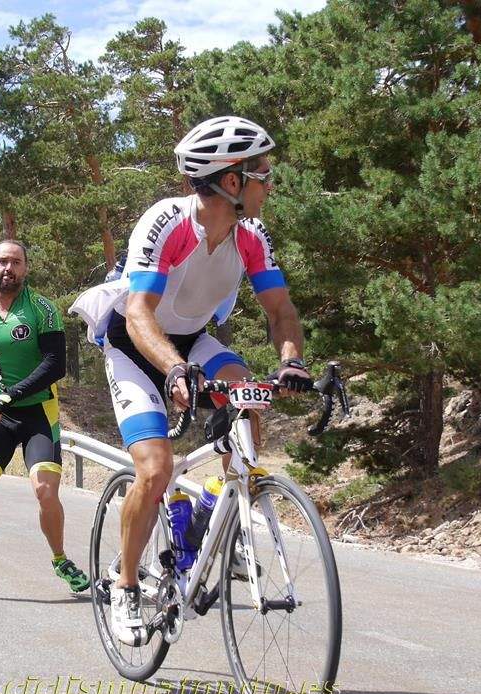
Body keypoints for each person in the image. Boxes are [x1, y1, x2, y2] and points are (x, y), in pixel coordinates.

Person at [70, 116, 314, 646]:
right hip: (136, 343)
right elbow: (139, 313)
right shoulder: (167, 223)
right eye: (262, 173)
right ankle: (126, 583)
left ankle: (217, 502)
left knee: (246, 391)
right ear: (232, 181)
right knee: (155, 470)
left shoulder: (250, 234)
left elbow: (280, 310)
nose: (270, 183)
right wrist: (174, 369)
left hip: (193, 339)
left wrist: (291, 360)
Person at [0, 239, 90, 601]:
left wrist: (13, 392)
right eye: (1, 261)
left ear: (26, 268)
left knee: (45, 491)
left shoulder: (42, 310)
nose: (8, 268)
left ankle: (60, 559)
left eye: (15, 262)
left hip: (38, 411)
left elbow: (54, 365)